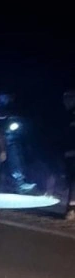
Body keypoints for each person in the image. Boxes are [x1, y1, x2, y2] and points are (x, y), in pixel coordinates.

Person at [0, 91, 37, 193]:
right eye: (4, 96)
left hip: (11, 138)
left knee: (15, 158)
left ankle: (19, 184)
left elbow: (20, 122)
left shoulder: (15, 108)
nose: (6, 98)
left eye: (8, 96)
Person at [63, 90, 75, 221]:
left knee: (73, 180)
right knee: (71, 179)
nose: (65, 102)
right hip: (69, 151)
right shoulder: (67, 114)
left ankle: (71, 208)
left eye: (68, 99)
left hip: (72, 151)